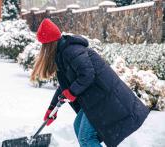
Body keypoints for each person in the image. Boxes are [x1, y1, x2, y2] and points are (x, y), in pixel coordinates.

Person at [30, 18, 150, 147]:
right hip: (96, 98)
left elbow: (87, 74)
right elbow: (65, 86)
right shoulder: (62, 54)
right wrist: (52, 108)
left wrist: (71, 92)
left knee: (86, 137)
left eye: (43, 46)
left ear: (49, 44)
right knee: (79, 127)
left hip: (105, 97)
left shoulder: (71, 51)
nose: (42, 50)